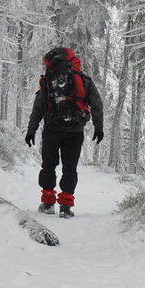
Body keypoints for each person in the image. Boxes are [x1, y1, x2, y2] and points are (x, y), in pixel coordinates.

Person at [25, 47, 104, 217]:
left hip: (51, 130)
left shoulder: (48, 79)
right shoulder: (83, 80)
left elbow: (38, 107)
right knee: (70, 168)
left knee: (48, 165)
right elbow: (96, 104)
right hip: (75, 132)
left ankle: (47, 203)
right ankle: (66, 208)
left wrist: (31, 131)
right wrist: (99, 127)